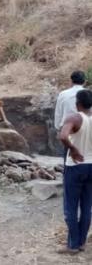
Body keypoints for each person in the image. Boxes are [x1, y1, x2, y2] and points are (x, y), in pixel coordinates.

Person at [58, 89, 92, 254]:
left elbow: (63, 136)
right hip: (91, 167)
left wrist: (72, 149)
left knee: (70, 207)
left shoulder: (75, 118)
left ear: (77, 103)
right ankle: (82, 243)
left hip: (75, 166)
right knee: (87, 206)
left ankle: (73, 245)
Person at [55, 71, 86, 160]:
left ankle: (67, 171)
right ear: (84, 81)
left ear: (71, 81)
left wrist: (58, 128)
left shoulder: (63, 94)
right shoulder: (88, 93)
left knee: (68, 154)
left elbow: (58, 113)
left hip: (68, 130)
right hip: (86, 128)